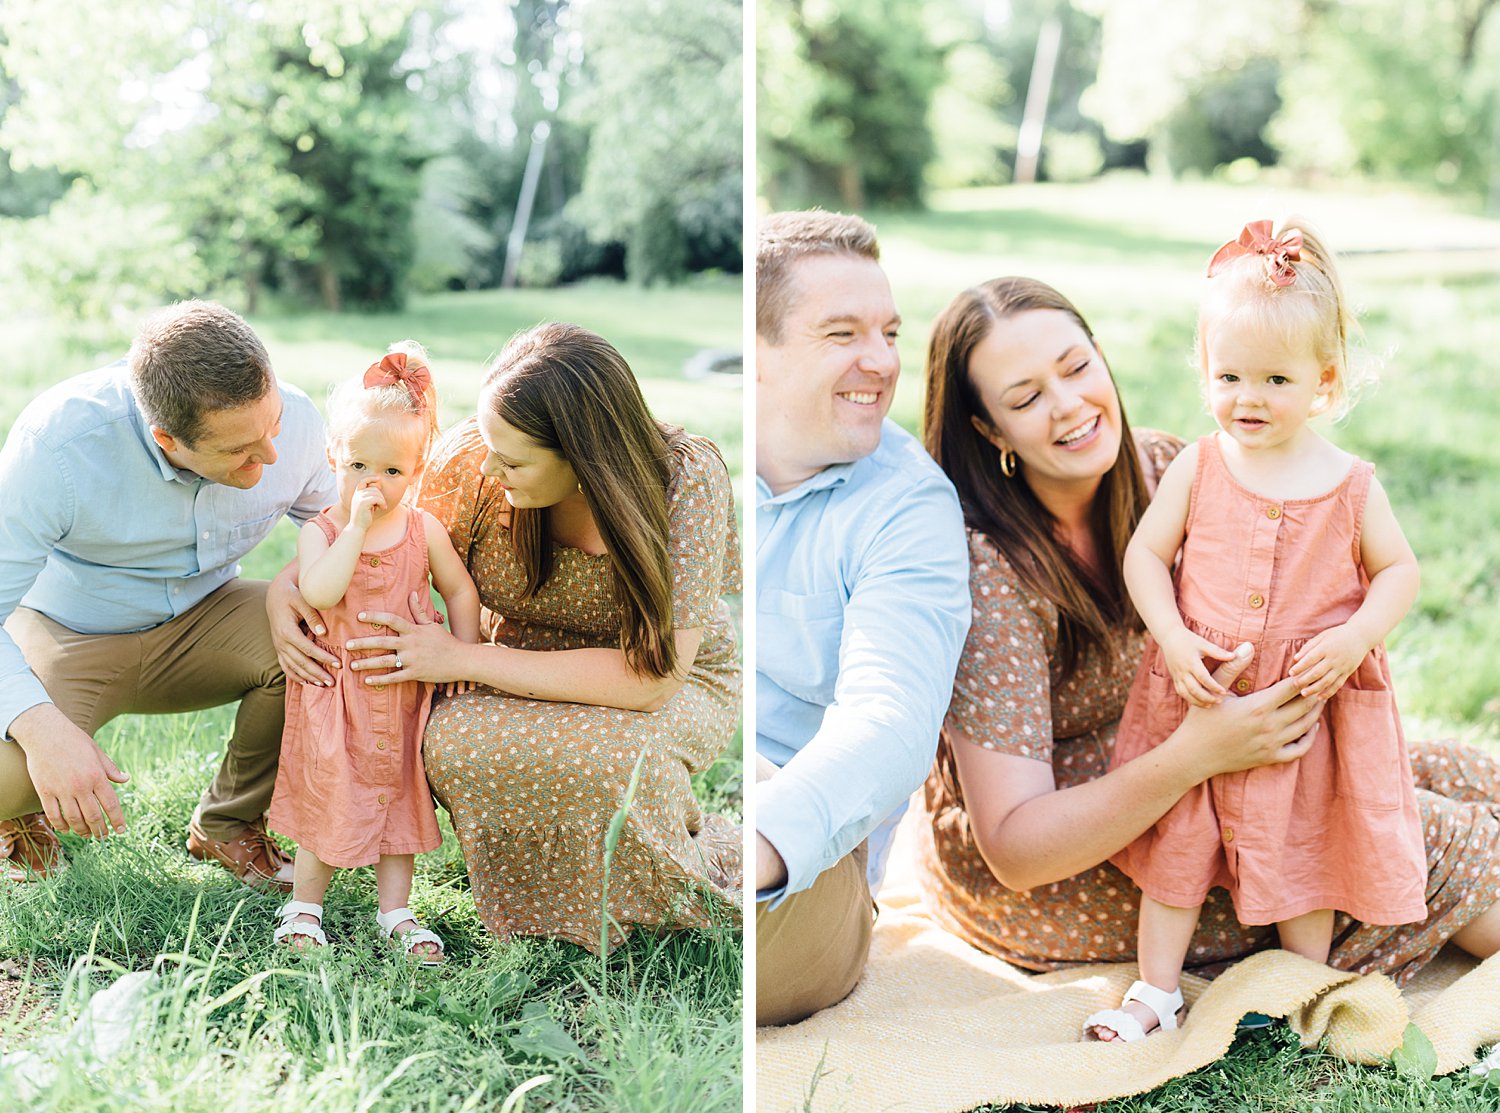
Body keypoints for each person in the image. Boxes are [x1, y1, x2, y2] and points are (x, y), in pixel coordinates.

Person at [916, 273, 1500, 1032]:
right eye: (1025, 399)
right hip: (1074, 851)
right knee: (1412, 833)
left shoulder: (1168, 467)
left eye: (1076, 366)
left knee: (1438, 770)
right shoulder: (988, 570)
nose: (1067, 405)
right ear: (990, 429)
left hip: (1230, 757)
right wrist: (1201, 753)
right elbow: (1018, 851)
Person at [1085, 219, 1426, 1041]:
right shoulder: (1201, 467)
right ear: (1204, 373)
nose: (1249, 397)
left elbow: (1401, 572)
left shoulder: (1347, 485)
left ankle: (1302, 988)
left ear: (1325, 379)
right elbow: (1144, 557)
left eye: (1276, 378)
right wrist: (1169, 635)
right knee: (1177, 851)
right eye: (1229, 374)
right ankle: (1156, 992)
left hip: (1309, 710)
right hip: (1202, 701)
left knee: (1306, 851)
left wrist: (1353, 638)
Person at [329, 321, 740, 953]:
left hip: (664, 676)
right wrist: (282, 598)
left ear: (583, 460)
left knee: (613, 761)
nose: (493, 469)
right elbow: (374, 542)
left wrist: (467, 659)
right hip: (511, 658)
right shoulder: (475, 463)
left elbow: (653, 681)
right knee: (452, 739)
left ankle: (657, 903)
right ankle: (535, 906)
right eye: (493, 448)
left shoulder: (685, 480)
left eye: (515, 459)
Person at [0, 301, 337, 889]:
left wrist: (289, 585)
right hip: (67, 630)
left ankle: (227, 824)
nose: (270, 457)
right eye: (239, 451)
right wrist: (39, 727)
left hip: (208, 616)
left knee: (323, 643)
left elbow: (341, 532)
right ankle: (23, 816)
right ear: (167, 439)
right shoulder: (58, 445)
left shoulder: (297, 420)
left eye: (273, 427)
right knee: (16, 772)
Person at [754, 211, 971, 1027]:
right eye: (842, 332)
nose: (881, 361)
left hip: (812, 866)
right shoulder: (702, 473)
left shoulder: (908, 505)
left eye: (887, 332)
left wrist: (764, 842)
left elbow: (892, 721)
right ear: (759, 356)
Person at [267, 345, 480, 963]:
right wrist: (356, 528)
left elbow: (458, 589)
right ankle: (305, 906)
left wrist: (461, 655)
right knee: (333, 791)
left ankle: (397, 912)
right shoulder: (324, 532)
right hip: (339, 694)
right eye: (359, 464)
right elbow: (320, 589)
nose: (373, 484)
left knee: (397, 796)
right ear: (334, 455)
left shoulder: (422, 529)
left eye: (391, 472)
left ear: (414, 474)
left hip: (403, 692)